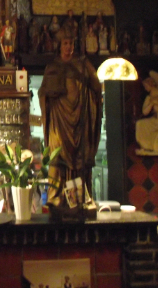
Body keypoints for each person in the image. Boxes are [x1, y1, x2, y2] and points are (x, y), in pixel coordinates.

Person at [39, 26, 102, 209]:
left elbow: (96, 87)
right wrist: (48, 98)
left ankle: (79, 199)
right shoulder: (52, 67)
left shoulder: (82, 64)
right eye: (65, 43)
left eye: (71, 43)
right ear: (59, 45)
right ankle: (55, 197)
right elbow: (43, 92)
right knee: (57, 157)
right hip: (59, 119)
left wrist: (87, 68)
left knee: (81, 158)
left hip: (80, 120)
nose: (68, 47)